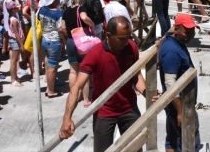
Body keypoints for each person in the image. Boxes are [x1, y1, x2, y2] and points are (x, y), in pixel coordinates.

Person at [59, 17, 146, 152]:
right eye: (121, 39)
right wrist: (67, 117)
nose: (126, 42)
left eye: (128, 37)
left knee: (136, 148)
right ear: (108, 35)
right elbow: (77, 87)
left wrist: (147, 92)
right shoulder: (95, 54)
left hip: (129, 108)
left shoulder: (131, 47)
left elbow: (136, 75)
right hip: (104, 112)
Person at [158, 14, 202, 152]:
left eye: (192, 32)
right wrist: (180, 112)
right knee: (185, 142)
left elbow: (167, 34)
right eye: (186, 32)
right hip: (180, 105)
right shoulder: (172, 51)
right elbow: (170, 84)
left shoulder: (172, 39)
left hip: (179, 105)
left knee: (172, 140)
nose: (190, 35)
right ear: (177, 29)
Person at [61, 0, 95, 108]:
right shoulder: (81, 8)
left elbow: (63, 27)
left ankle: (73, 95)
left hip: (71, 40)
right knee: (83, 70)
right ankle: (86, 99)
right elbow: (84, 18)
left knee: (73, 70)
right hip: (81, 42)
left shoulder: (66, 11)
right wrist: (92, 25)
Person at [37, 0, 67, 98]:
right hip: (54, 41)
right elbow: (61, 29)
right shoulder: (58, 13)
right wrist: (65, 38)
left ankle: (48, 86)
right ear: (53, 1)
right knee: (52, 67)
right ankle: (51, 90)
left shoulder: (41, 9)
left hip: (44, 39)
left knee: (48, 63)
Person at [4, 0, 24, 87]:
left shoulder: (11, 18)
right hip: (15, 41)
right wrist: (21, 45)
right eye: (16, 8)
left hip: (13, 41)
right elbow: (16, 34)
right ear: (13, 10)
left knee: (13, 61)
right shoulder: (14, 20)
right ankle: (13, 79)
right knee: (14, 61)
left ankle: (14, 77)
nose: (18, 8)